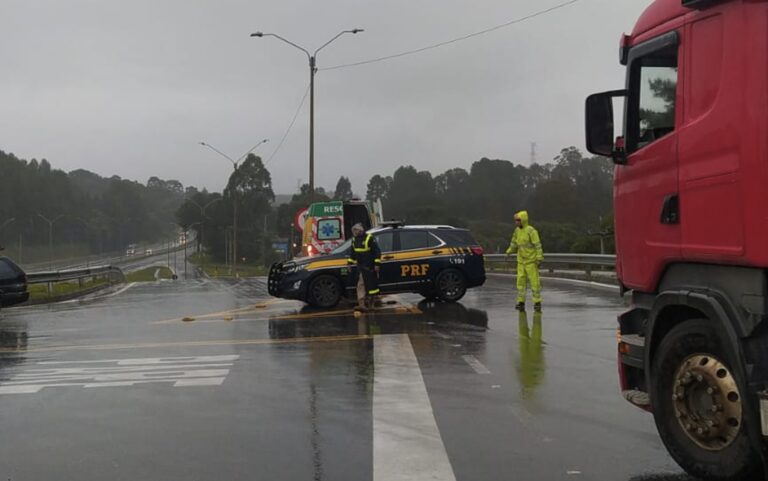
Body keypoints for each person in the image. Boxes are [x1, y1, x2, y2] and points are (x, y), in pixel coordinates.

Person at [505, 210, 544, 311]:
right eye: (516, 220)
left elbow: (538, 245)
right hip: (521, 261)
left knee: (534, 282)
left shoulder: (531, 231)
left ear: (523, 220)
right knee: (520, 282)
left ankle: (537, 302)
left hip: (531, 261)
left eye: (518, 220)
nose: (516, 222)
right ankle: (521, 302)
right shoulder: (517, 231)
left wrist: (539, 258)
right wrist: (509, 252)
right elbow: (513, 243)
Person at [347, 223, 381, 310]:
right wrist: (349, 263)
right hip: (361, 267)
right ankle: (361, 304)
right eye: (353, 231)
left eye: (355, 230)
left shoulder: (369, 238)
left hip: (370, 266)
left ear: (360, 230)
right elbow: (353, 253)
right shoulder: (354, 240)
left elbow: (376, 252)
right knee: (361, 284)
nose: (354, 232)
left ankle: (371, 305)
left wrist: (377, 264)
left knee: (371, 286)